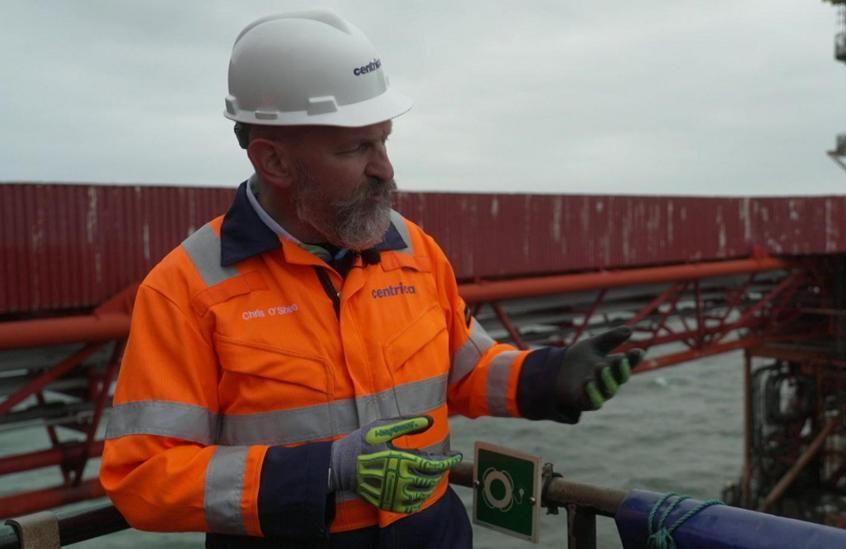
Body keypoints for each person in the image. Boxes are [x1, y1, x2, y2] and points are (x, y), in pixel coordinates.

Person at [99, 10, 640, 549]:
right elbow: (143, 478)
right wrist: (325, 470)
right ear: (275, 162)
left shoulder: (413, 250)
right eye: (356, 147)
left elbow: (463, 367)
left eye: (384, 140)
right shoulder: (187, 290)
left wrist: (548, 377)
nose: (385, 168)